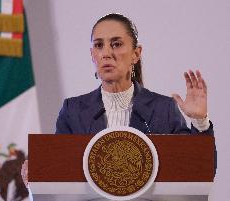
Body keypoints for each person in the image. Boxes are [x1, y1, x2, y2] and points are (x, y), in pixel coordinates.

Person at [21, 13, 214, 199]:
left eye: (116, 44)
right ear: (92, 55)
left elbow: (198, 171)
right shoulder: (74, 110)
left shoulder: (164, 109)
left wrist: (199, 122)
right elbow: (59, 175)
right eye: (99, 45)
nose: (106, 53)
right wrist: (37, 174)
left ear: (136, 54)